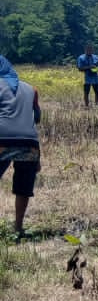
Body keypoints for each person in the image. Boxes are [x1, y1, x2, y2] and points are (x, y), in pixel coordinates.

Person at [0, 58, 41, 238]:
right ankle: (18, 228)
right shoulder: (32, 89)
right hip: (29, 142)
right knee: (24, 186)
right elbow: (37, 118)